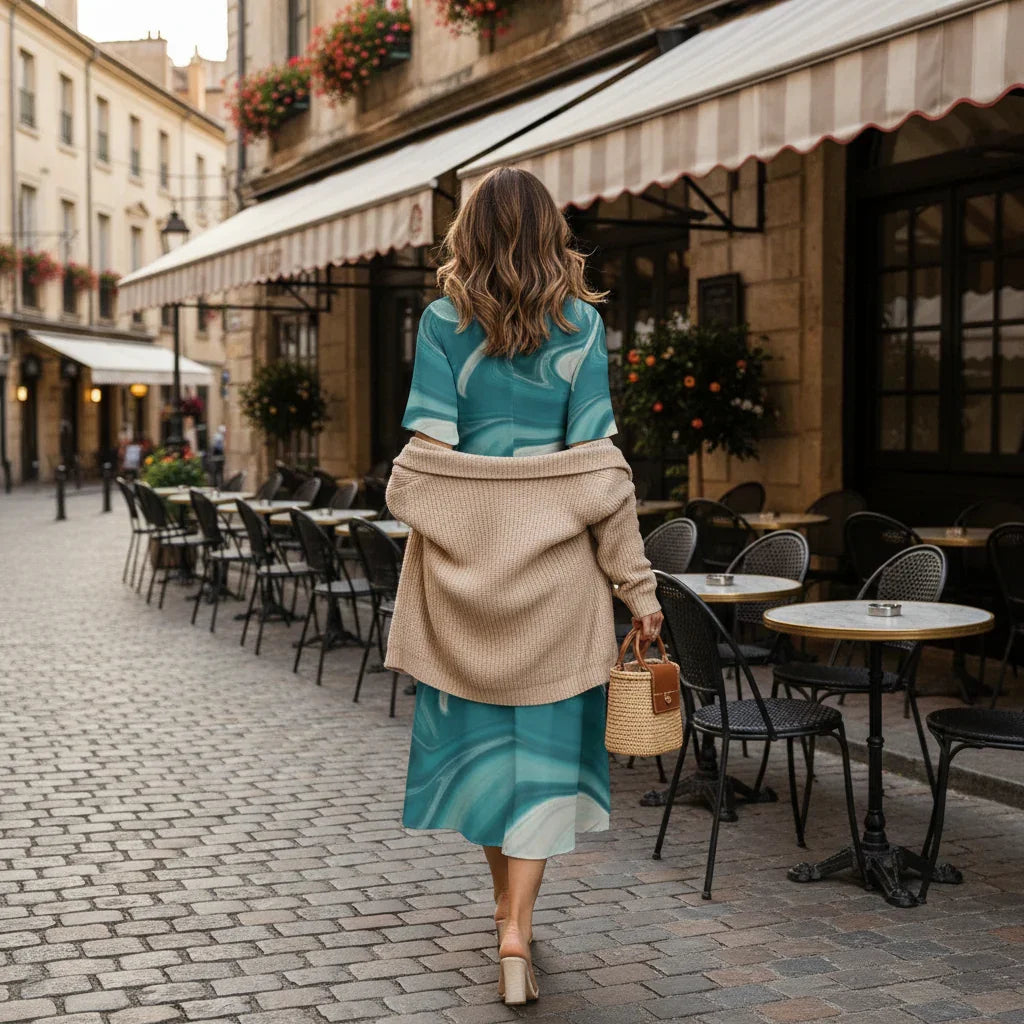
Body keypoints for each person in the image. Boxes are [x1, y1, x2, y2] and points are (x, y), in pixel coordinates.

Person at [383, 167, 663, 1007]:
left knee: (482, 760)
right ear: (550, 235)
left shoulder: (439, 323)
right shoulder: (582, 327)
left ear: (468, 236)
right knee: (539, 766)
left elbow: (428, 462)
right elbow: (599, 474)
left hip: (461, 585)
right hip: (557, 588)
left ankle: (506, 915)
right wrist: (640, 594)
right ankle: (517, 925)